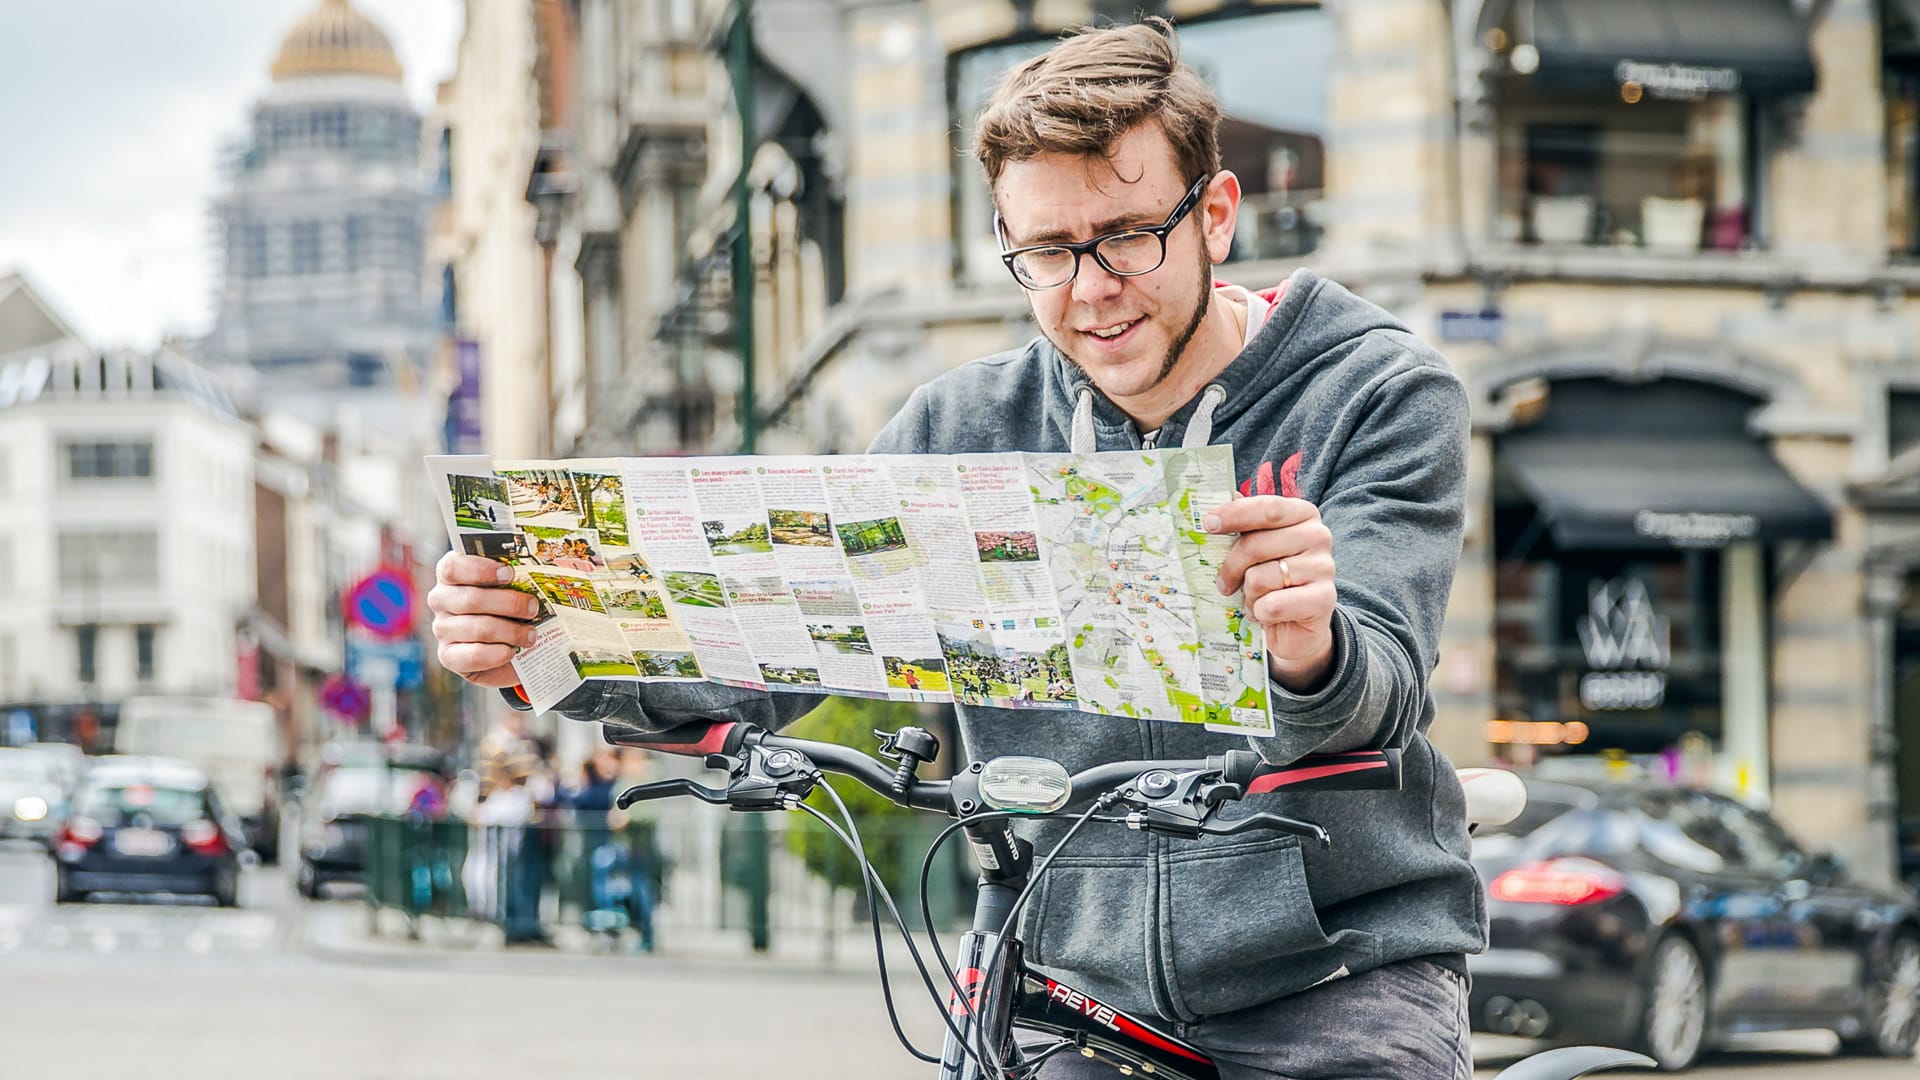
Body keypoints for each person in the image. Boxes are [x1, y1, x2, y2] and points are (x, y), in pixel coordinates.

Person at [430, 18, 1476, 1078]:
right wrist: (544, 646)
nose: (1090, 288)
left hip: (1337, 971)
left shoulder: (1377, 392)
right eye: (1047, 252)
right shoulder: (957, 429)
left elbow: (1381, 684)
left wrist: (1309, 650)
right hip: (1070, 979)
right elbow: (767, 652)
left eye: (1127, 236)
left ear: (1215, 215)